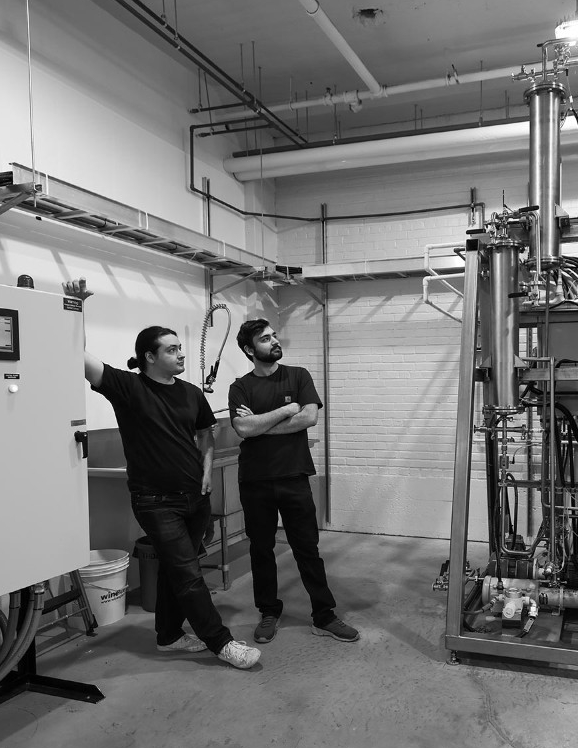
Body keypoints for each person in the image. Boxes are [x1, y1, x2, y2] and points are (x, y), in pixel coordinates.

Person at [63, 279, 261, 670]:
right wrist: (74, 307)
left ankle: (169, 636)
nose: (180, 354)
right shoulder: (127, 387)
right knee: (188, 573)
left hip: (194, 497)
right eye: (171, 350)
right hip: (155, 500)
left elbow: (205, 434)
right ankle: (220, 642)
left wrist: (206, 472)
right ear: (149, 357)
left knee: (176, 571)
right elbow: (77, 356)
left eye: (180, 348)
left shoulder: (190, 393)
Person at [229, 319, 359, 644]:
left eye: (273, 335)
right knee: (261, 549)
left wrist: (261, 424)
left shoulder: (298, 375)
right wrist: (286, 410)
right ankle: (269, 611)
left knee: (307, 549)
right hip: (255, 482)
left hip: (294, 477)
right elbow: (243, 430)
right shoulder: (239, 387)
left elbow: (309, 417)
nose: (274, 341)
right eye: (264, 338)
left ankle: (324, 615)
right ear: (249, 349)